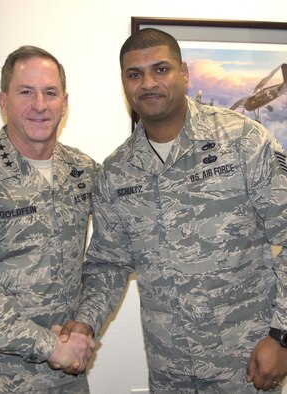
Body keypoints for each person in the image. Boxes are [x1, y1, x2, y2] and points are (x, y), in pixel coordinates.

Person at [61, 29, 287, 393]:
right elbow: (109, 263)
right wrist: (86, 323)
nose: (148, 83)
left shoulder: (243, 140)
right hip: (170, 372)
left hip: (247, 367)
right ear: (124, 82)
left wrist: (282, 337)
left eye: (160, 69)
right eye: (134, 74)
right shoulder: (117, 171)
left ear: (183, 73)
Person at [0, 45, 98, 393]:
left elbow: (112, 253)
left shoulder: (83, 172)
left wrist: (86, 324)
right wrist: (51, 345)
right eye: (26, 91)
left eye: (50, 93)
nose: (40, 104)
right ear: (3, 101)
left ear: (64, 103)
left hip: (67, 381)